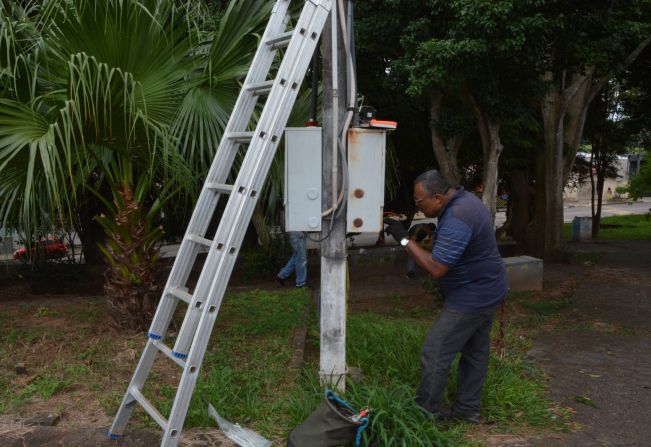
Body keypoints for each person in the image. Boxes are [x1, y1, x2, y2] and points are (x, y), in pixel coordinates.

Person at [384, 169, 508, 424]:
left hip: (473, 295)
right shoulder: (465, 201)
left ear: (439, 197)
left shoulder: (458, 216)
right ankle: (467, 410)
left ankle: (424, 415)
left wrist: (405, 240)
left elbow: (437, 268)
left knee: (435, 350)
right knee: (475, 351)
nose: (417, 206)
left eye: (419, 201)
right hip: (488, 287)